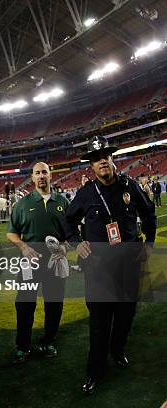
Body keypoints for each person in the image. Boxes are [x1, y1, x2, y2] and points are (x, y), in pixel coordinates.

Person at [63, 136, 156, 394]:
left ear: (112, 159)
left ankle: (117, 350)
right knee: (99, 321)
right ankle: (95, 371)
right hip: (99, 268)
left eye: (105, 156)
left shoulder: (130, 185)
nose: (102, 161)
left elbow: (148, 213)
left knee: (126, 314)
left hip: (129, 264)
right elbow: (68, 221)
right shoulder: (85, 193)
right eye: (96, 159)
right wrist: (76, 242)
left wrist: (148, 243)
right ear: (91, 166)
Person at [6, 162, 70, 364]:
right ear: (32, 178)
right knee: (24, 303)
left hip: (55, 259)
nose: (41, 176)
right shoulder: (23, 204)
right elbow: (11, 232)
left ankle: (48, 341)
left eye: (44, 172)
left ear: (51, 175)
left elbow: (72, 232)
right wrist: (23, 247)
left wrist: (65, 247)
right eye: (37, 173)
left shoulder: (63, 202)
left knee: (54, 302)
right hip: (29, 260)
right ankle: (22, 346)